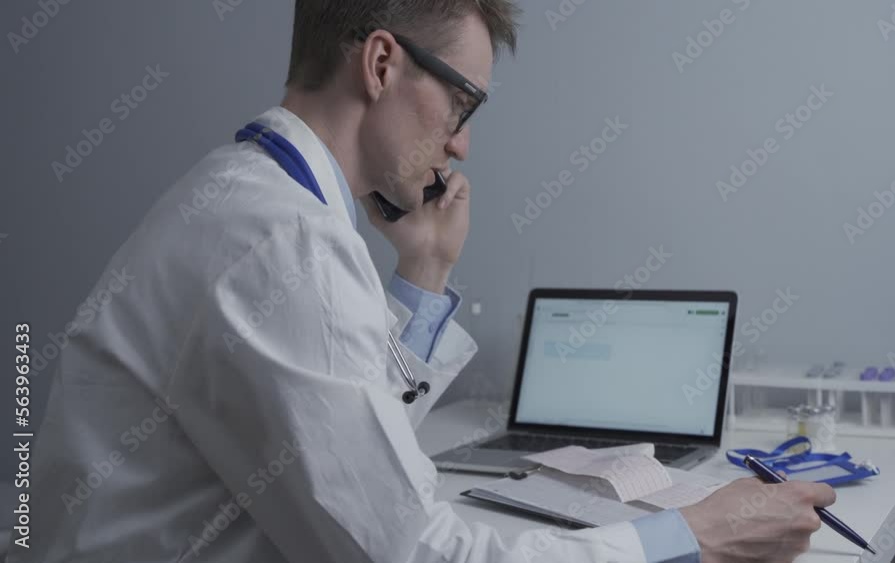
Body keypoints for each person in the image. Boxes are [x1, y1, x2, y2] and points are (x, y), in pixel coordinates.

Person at [11, 1, 836, 562]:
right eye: (463, 103)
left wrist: (425, 269)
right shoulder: (282, 242)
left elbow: (348, 446)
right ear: (381, 63)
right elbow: (418, 550)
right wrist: (694, 535)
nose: (462, 144)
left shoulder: (249, 198)